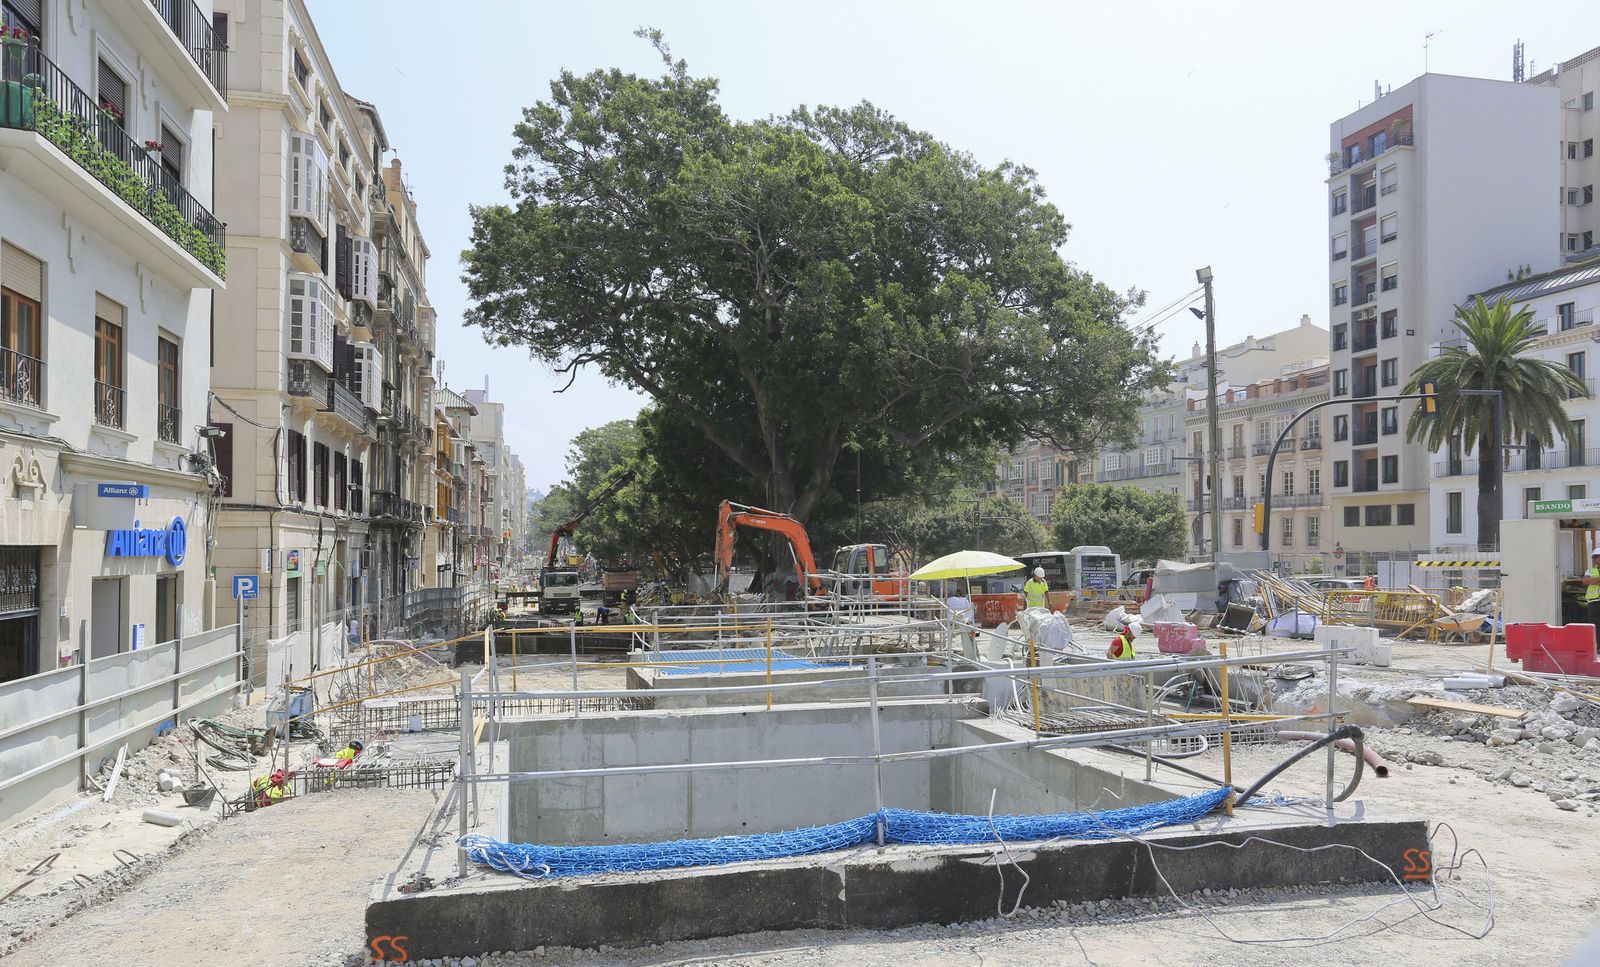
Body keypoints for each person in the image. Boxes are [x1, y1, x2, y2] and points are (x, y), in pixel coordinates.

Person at [1583, 550, 1600, 637]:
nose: (1597, 559)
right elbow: (1585, 581)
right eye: (1596, 557)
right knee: (1595, 626)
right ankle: (1597, 647)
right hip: (1594, 602)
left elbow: (1590, 581)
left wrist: (1593, 580)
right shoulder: (1590, 571)